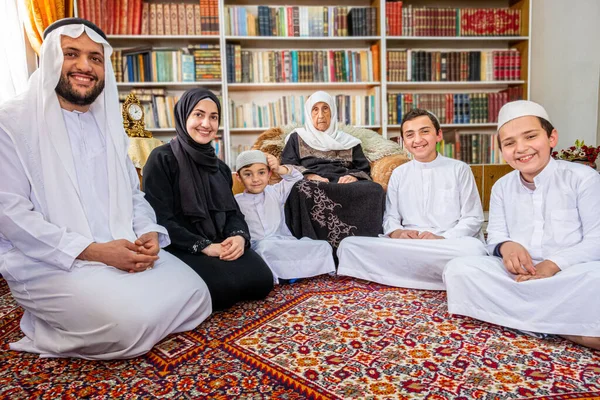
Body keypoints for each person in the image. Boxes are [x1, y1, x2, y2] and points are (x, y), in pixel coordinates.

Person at [0, 19, 212, 360]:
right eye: (71, 54)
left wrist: (147, 231)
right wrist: (95, 251)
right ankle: (61, 324)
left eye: (95, 58)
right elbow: (10, 216)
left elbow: (132, 194)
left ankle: (113, 307)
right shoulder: (10, 122)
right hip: (51, 262)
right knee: (128, 325)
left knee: (198, 294)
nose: (84, 66)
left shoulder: (108, 124)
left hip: (120, 248)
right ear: (52, 58)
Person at [443, 100, 600, 350]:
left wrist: (552, 265)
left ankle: (514, 318)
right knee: (458, 269)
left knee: (597, 279)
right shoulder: (502, 187)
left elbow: (596, 240)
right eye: (509, 143)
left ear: (552, 137)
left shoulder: (583, 178)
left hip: (569, 274)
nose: (521, 148)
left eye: (530, 136)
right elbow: (495, 235)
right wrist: (507, 247)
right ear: (502, 150)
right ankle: (569, 328)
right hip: (516, 275)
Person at [142, 88, 274, 311]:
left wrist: (238, 238)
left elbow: (233, 213)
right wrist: (205, 247)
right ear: (184, 116)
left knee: (262, 280)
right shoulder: (162, 158)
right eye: (198, 114)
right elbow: (160, 218)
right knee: (222, 290)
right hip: (181, 245)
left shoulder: (220, 167)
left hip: (219, 240)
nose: (206, 124)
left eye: (213, 117)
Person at [337, 109, 487, 289]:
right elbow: (391, 216)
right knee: (348, 246)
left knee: (474, 249)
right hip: (409, 244)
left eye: (425, 131)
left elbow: (473, 218)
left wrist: (442, 238)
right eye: (410, 135)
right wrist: (397, 233)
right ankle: (440, 273)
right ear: (404, 142)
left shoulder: (459, 169)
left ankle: (401, 274)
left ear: (438, 135)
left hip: (447, 243)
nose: (418, 140)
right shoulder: (399, 173)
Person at [280, 91, 386, 249]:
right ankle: (317, 247)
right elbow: (288, 163)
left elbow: (363, 168)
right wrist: (308, 175)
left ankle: (364, 247)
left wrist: (354, 177)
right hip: (314, 182)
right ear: (309, 114)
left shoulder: (350, 141)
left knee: (375, 189)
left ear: (333, 112)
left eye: (325, 108)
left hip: (344, 182)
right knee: (300, 189)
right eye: (315, 109)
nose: (321, 115)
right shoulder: (297, 137)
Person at [234, 150, 335, 283]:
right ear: (239, 178)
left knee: (323, 246)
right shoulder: (236, 201)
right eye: (248, 174)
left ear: (269, 174)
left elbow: (296, 177)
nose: (256, 179)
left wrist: (279, 168)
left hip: (284, 242)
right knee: (265, 249)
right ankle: (287, 275)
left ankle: (287, 273)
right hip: (259, 248)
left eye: (261, 172)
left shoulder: (275, 192)